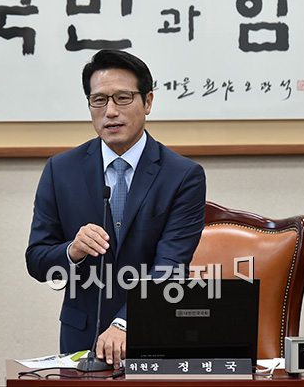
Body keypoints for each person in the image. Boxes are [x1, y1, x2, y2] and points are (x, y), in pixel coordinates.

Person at [25, 49, 206, 369]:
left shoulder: (182, 176)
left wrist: (125, 323)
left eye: (123, 98)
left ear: (148, 102)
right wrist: (72, 251)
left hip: (155, 334)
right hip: (81, 339)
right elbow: (37, 260)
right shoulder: (61, 171)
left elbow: (170, 267)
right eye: (99, 100)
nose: (110, 111)